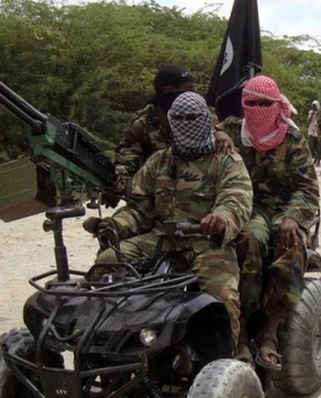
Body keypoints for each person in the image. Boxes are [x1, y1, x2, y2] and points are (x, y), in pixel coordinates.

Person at [83, 91, 254, 354]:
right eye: (179, 118)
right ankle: (109, 347)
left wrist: (220, 218)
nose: (185, 123)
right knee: (107, 262)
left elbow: (236, 199)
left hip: (206, 245)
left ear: (205, 120)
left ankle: (227, 362)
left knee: (223, 297)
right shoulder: (158, 161)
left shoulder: (226, 160)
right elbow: (140, 208)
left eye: (192, 117)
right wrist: (115, 226)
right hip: (159, 240)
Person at [216, 75, 319, 371]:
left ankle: (272, 330)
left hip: (285, 208)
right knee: (248, 239)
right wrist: (216, 133)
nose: (258, 109)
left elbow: (308, 187)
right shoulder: (234, 132)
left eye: (265, 103)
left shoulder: (293, 139)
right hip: (248, 207)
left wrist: (293, 216)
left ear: (277, 105)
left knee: (292, 242)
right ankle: (243, 332)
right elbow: (200, 125)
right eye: (252, 103)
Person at [114, 64, 235, 181]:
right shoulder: (142, 124)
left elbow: (212, 126)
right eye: (189, 88)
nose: (193, 93)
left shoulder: (200, 112)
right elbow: (126, 160)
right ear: (170, 90)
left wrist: (219, 133)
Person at [307, 100, 321, 166]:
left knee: (318, 147)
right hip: (312, 131)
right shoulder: (310, 112)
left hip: (318, 131)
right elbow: (308, 121)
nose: (313, 107)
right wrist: (312, 115)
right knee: (312, 146)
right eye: (313, 106)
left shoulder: (320, 113)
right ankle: (314, 158)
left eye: (315, 106)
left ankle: (318, 160)